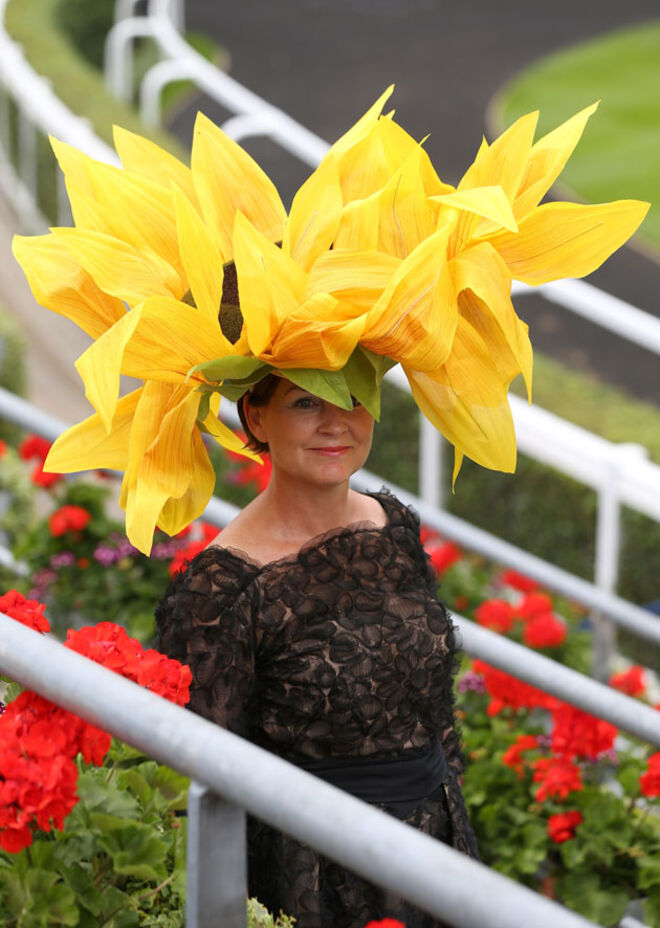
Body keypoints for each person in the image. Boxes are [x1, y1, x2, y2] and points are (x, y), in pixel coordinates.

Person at [156, 372, 479, 928]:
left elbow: (431, 710)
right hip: (320, 875)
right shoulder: (224, 586)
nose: (337, 422)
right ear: (255, 419)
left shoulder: (391, 522)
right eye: (307, 401)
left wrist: (451, 813)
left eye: (356, 397)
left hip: (437, 845)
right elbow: (205, 775)